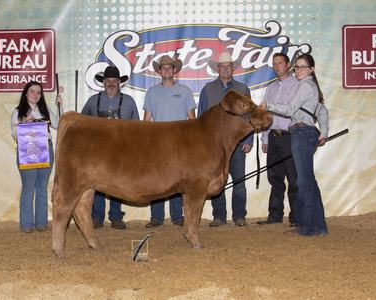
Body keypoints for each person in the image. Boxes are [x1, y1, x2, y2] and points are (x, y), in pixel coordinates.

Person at [260, 53, 329, 236]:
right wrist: (324, 131)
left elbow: (290, 110)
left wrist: (268, 106)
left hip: (300, 133)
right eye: (297, 67)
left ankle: (305, 227)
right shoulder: (309, 85)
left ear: (311, 70)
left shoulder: (305, 85)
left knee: (303, 182)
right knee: (308, 181)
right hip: (304, 133)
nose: (299, 70)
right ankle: (319, 226)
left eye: (303, 67)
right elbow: (322, 110)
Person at [198, 52, 253, 227]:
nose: (225, 69)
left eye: (229, 66)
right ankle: (219, 216)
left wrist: (248, 140)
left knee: (239, 180)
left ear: (232, 68)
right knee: (216, 180)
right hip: (214, 146)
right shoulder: (207, 89)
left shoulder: (242, 89)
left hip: (236, 144)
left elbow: (249, 116)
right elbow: (201, 117)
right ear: (217, 68)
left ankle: (239, 215)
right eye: (222, 66)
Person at [81, 65, 140, 230]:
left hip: (121, 151)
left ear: (119, 83)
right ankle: (97, 217)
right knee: (98, 183)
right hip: (97, 152)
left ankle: (116, 216)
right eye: (108, 81)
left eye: (115, 81)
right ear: (103, 83)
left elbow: (137, 127)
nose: (111, 83)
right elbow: (82, 123)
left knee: (117, 183)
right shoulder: (93, 101)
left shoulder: (129, 101)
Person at [143, 55, 196, 228]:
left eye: (169, 67)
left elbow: (192, 120)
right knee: (155, 179)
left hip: (179, 143)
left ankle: (177, 216)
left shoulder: (185, 91)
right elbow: (146, 120)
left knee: (178, 179)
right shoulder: (151, 92)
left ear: (174, 70)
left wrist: (190, 143)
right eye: (163, 67)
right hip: (156, 142)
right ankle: (156, 217)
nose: (166, 70)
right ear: (159, 71)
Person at [11, 81, 63, 233]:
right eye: (32, 91)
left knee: (41, 187)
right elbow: (14, 134)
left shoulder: (44, 109)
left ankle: (41, 223)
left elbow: (59, 125)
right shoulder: (18, 111)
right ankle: (26, 224)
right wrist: (23, 124)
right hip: (26, 149)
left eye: (38, 92)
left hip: (45, 148)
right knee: (28, 187)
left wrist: (60, 106)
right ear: (26, 93)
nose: (35, 94)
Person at [257, 53, 298, 227]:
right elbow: (266, 115)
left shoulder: (298, 85)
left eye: (280, 63)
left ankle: (296, 216)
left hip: (290, 135)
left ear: (288, 64)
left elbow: (292, 110)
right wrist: (264, 138)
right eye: (274, 64)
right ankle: (275, 215)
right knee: (275, 177)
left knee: (293, 178)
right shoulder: (271, 88)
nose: (277, 66)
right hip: (273, 136)